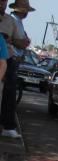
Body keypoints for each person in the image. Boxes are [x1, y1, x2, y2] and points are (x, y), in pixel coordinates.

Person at [0, 0, 31, 139]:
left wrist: (13, 40)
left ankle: (8, 126)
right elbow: (20, 41)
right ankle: (7, 126)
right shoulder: (14, 20)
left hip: (7, 58)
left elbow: (21, 41)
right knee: (8, 92)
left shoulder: (10, 20)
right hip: (7, 57)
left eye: (4, 0)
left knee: (9, 92)